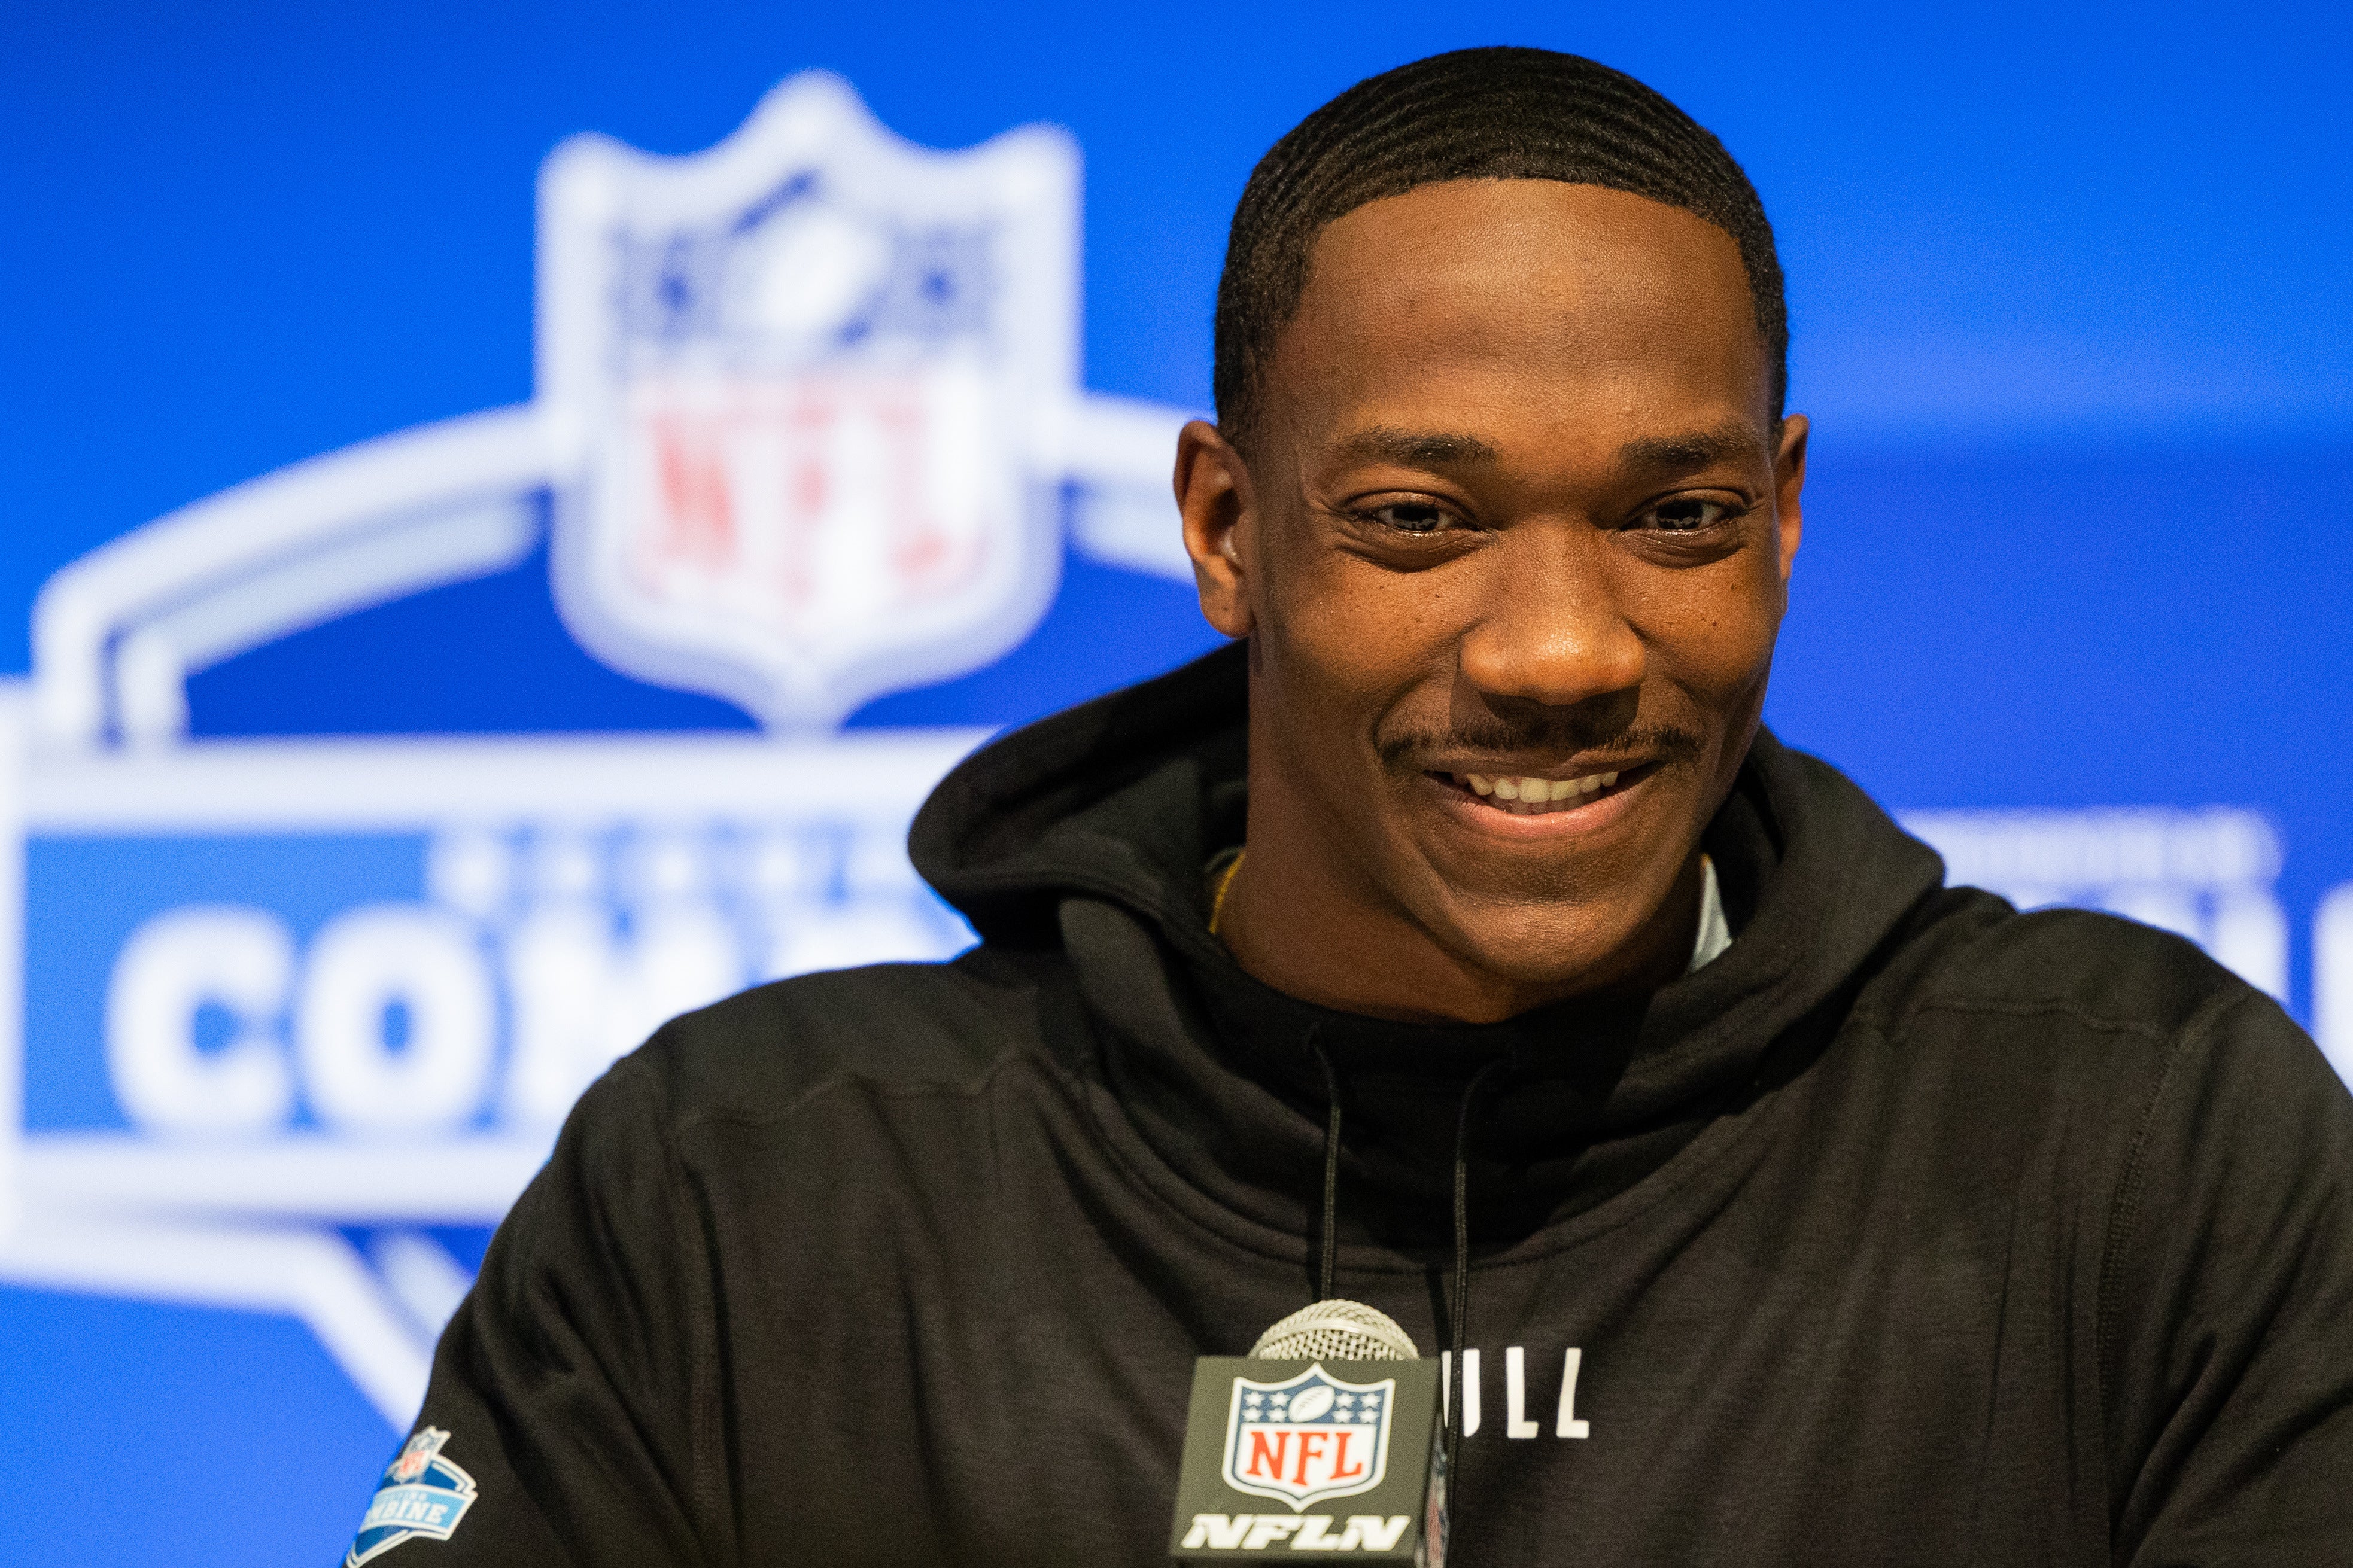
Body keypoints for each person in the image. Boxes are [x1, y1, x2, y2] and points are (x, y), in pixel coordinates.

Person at [348, 47, 2353, 1567]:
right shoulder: (747, 1191)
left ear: (1786, 510)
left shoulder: (2144, 1148)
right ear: (1226, 529)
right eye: (1418, 520)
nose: (1560, 647)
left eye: (1676, 516)